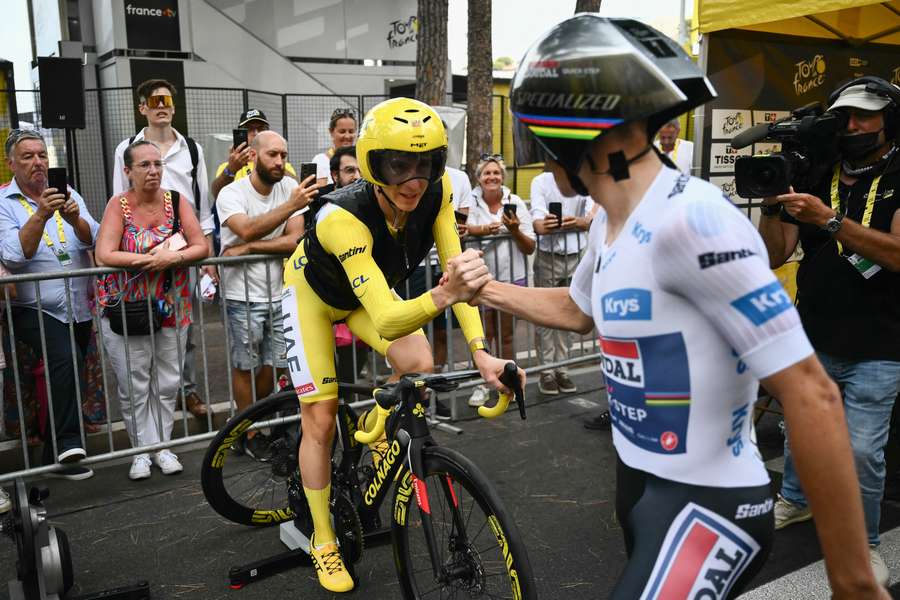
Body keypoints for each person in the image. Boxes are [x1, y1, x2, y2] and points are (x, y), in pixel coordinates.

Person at [470, 15, 887, 599]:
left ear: (568, 133)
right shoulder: (612, 224)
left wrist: (853, 582)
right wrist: (483, 288)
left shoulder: (691, 220)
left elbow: (810, 391)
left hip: (709, 503)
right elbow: (576, 309)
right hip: (641, 484)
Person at [282, 97, 518, 593]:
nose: (415, 178)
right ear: (371, 163)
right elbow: (390, 319)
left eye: (426, 163)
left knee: (418, 360)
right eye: (399, 164)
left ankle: (375, 417)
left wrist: (481, 353)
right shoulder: (339, 217)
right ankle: (324, 540)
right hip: (312, 295)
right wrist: (445, 291)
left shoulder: (439, 193)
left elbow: (460, 280)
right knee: (320, 419)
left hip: (359, 295)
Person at [756, 76, 900, 585]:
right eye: (846, 117)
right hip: (813, 331)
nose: (854, 126)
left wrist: (832, 221)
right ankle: (796, 500)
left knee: (861, 451)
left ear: (890, 119)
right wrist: (774, 200)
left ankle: (864, 545)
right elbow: (775, 252)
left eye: (865, 116)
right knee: (800, 430)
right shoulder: (818, 171)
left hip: (880, 344)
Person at [95, 140, 209, 480]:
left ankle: (162, 447)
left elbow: (201, 245)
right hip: (126, 308)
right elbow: (105, 253)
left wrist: (172, 257)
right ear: (128, 171)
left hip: (171, 305)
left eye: (157, 164)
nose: (153, 171)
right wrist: (148, 261)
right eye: (144, 165)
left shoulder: (176, 201)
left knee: (168, 381)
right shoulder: (119, 205)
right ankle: (140, 452)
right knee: (134, 382)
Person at [0, 128, 100, 480]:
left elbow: (96, 238)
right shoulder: (3, 202)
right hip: (34, 307)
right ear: (11, 163)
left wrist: (76, 220)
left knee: (68, 373)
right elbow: (13, 256)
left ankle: (50, 458)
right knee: (66, 359)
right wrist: (41, 214)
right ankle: (68, 447)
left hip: (78, 306)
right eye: (27, 156)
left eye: (42, 155)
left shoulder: (69, 193)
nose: (38, 162)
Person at [113, 78, 215, 420]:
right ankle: (148, 409)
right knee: (142, 333)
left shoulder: (193, 149)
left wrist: (207, 256)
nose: (161, 106)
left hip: (182, 254)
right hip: (140, 259)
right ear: (142, 107)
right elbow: (119, 200)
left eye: (167, 101)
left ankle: (185, 391)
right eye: (154, 101)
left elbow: (202, 206)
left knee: (181, 333)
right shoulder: (127, 148)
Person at [216, 131, 311, 458]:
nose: (280, 162)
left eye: (283, 155)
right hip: (242, 294)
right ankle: (249, 430)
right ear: (254, 156)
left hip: (279, 292)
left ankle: (247, 419)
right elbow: (245, 228)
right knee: (245, 363)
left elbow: (295, 240)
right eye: (273, 155)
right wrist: (289, 209)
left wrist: (250, 248)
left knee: (275, 362)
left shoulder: (289, 188)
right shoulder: (231, 193)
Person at [464, 154, 534, 407]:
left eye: (496, 173)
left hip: (511, 279)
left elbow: (530, 246)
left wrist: (514, 230)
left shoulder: (515, 202)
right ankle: (483, 385)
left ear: (502, 177)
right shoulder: (469, 202)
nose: (492, 177)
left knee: (505, 336)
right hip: (480, 280)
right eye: (486, 173)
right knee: (484, 337)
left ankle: (509, 383)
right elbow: (458, 230)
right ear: (479, 178)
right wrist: (481, 230)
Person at [530, 169, 594, 398]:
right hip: (548, 255)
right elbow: (538, 224)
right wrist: (558, 223)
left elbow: (589, 219)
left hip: (576, 255)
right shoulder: (540, 181)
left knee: (572, 315)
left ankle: (562, 369)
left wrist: (574, 221)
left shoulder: (583, 176)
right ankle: (546, 371)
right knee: (545, 315)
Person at [210, 108, 297, 200]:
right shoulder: (229, 167)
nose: (256, 133)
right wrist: (231, 169)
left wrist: (276, 165)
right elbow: (217, 195)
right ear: (241, 133)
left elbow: (299, 190)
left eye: (261, 129)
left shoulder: (282, 163)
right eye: (249, 129)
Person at [312, 108, 357, 186]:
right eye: (342, 131)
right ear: (331, 132)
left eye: (351, 131)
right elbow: (321, 194)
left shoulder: (361, 159)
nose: (347, 136)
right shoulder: (321, 161)